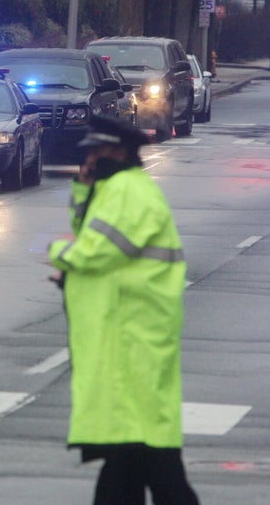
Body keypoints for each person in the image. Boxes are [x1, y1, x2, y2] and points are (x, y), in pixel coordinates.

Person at [47, 115, 199, 505]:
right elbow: (91, 233)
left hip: (132, 339)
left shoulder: (127, 191)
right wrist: (83, 192)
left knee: (152, 461)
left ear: (118, 151)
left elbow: (95, 251)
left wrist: (57, 252)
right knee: (130, 459)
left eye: (97, 152)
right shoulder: (115, 189)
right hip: (126, 334)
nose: (91, 160)